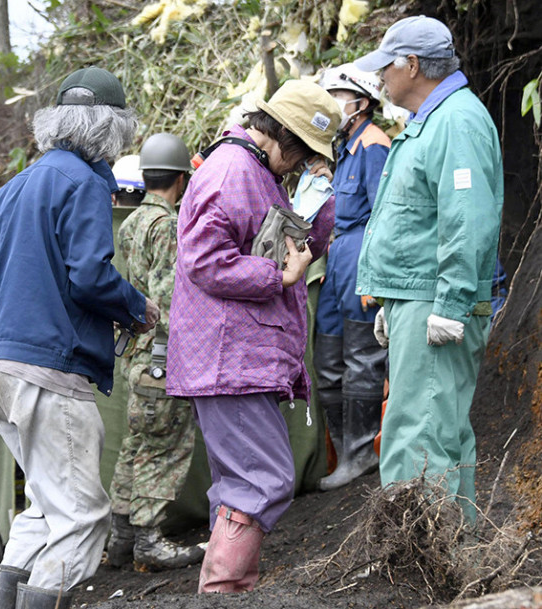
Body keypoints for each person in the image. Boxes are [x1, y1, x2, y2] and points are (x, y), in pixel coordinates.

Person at [0, 67, 160, 609]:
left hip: (3, 367)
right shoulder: (84, 183)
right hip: (52, 371)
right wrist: (135, 307)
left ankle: (0, 599)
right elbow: (88, 275)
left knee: (43, 505)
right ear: (112, 128)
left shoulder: (13, 189)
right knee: (82, 513)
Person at [166, 80, 340, 593]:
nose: (304, 161)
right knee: (262, 480)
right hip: (229, 358)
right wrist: (277, 279)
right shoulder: (233, 169)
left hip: (242, 356)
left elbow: (305, 244)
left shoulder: (259, 172)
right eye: (305, 151)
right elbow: (202, 259)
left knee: (240, 485)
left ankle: (223, 592)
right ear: (280, 133)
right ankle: (224, 593)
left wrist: (319, 189)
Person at [354, 16, 503, 521]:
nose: (380, 79)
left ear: (412, 65)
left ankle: (415, 562)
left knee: (417, 433)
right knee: (440, 428)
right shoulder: (435, 119)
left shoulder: (456, 121)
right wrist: (393, 300)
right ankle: (452, 556)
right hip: (416, 298)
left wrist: (449, 304)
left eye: (386, 67)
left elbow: (467, 220)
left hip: (434, 301)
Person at [107, 132, 203, 571]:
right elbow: (166, 303)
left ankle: (120, 538)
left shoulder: (130, 222)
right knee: (164, 447)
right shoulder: (166, 225)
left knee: (137, 445)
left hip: (137, 355)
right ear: (181, 179)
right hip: (161, 357)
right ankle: (148, 540)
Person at [314, 64, 391, 491]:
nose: (331, 103)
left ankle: (360, 453)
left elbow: (385, 213)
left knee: (361, 353)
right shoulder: (343, 148)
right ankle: (342, 450)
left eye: (338, 95)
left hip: (361, 253)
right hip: (337, 255)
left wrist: (376, 274)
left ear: (360, 102)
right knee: (328, 355)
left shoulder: (375, 145)